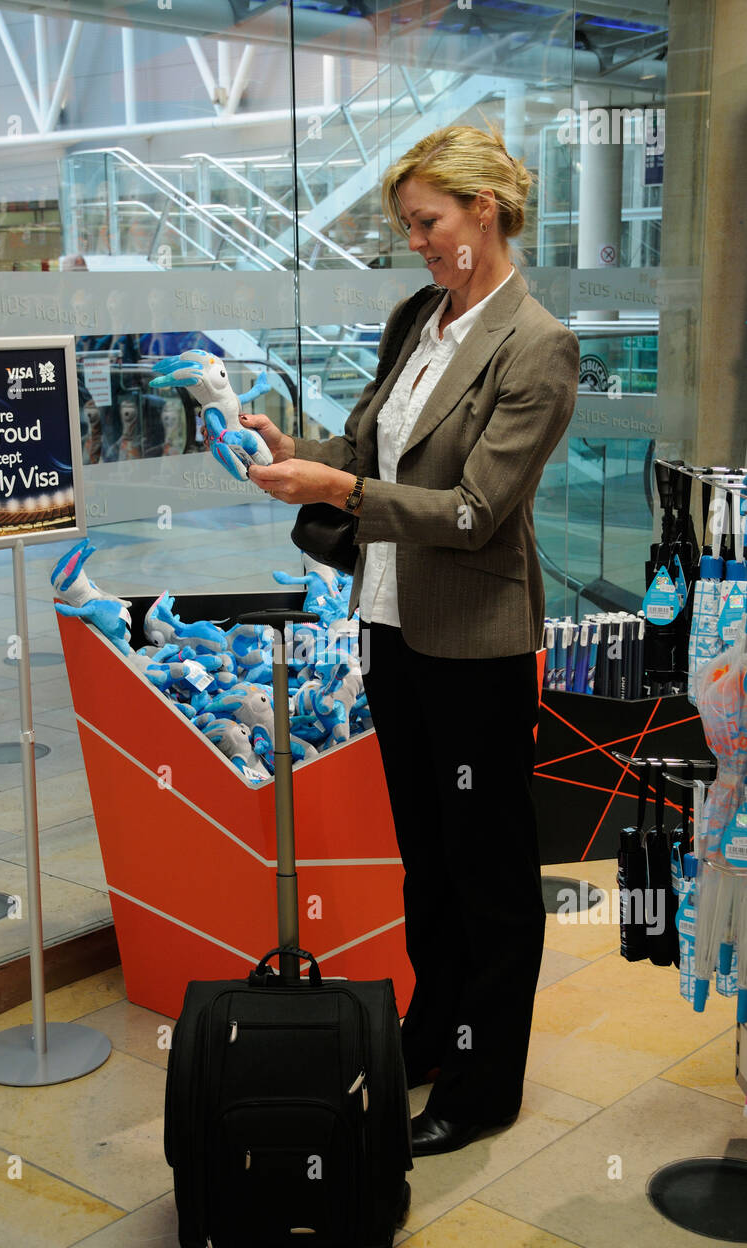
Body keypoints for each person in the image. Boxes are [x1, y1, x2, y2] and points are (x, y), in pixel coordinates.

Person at [241, 124, 579, 1157]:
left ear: (484, 208)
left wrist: (339, 489)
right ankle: (432, 1033)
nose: (418, 244)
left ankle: (483, 1085)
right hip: (390, 625)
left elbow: (476, 511)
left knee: (485, 871)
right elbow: (372, 445)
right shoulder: (417, 321)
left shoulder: (535, 347)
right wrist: (291, 449)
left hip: (472, 645)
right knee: (424, 859)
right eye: (407, 228)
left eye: (428, 223)